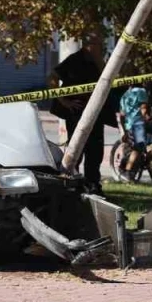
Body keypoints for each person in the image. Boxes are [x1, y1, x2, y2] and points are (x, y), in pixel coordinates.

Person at [50, 48, 117, 194]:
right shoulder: (75, 59)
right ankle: (72, 183)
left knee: (95, 150)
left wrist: (100, 59)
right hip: (76, 113)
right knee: (76, 150)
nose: (98, 43)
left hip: (96, 113)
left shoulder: (101, 59)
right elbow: (53, 77)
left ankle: (93, 184)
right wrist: (64, 101)